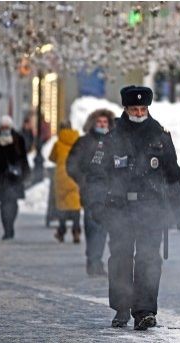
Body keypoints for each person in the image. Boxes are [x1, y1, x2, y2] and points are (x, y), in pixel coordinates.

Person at [86, 85, 180, 330]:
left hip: (151, 209)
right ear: (126, 108)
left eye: (143, 108)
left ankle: (144, 311)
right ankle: (122, 308)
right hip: (119, 209)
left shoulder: (160, 136)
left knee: (149, 259)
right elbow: (97, 175)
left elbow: (172, 175)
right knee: (121, 257)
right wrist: (97, 205)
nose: (139, 112)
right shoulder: (112, 138)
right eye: (135, 108)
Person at [67, 109, 115, 276]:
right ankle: (93, 261)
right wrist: (83, 181)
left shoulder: (113, 142)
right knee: (93, 225)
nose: (102, 125)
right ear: (93, 123)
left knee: (103, 228)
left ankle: (97, 260)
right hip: (91, 189)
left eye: (105, 122)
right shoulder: (84, 142)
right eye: (99, 122)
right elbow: (72, 165)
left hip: (109, 190)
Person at [0, 115, 30, 240]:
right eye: (3, 127)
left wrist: (25, 172)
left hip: (15, 178)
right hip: (0, 178)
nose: (4, 129)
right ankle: (7, 229)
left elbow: (23, 157)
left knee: (14, 204)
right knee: (3, 204)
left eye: (6, 127)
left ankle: (10, 224)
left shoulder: (17, 138)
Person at [49, 121, 81, 244]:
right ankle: (76, 231)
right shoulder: (78, 142)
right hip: (75, 176)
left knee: (62, 205)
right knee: (75, 206)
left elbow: (52, 157)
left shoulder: (58, 143)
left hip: (62, 177)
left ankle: (61, 231)